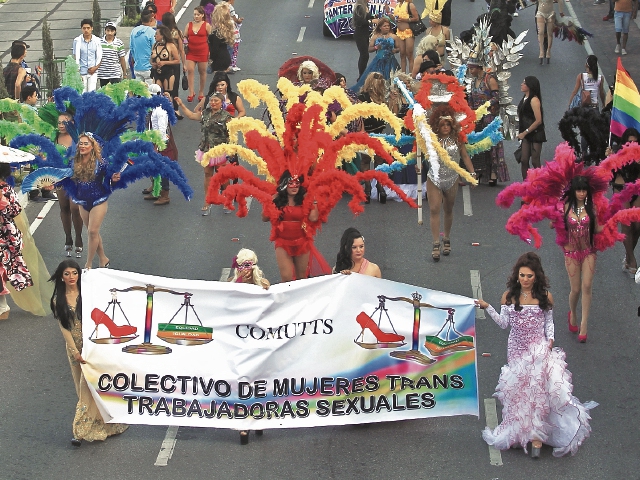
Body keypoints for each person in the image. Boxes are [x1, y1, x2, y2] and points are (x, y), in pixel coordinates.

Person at [475, 252, 592, 458]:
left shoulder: (545, 297)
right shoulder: (508, 296)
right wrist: (488, 308)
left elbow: (549, 322)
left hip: (538, 350)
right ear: (517, 276)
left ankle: (537, 436)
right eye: (522, 275)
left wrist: (550, 341)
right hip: (516, 350)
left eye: (529, 276)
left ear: (536, 276)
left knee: (537, 392)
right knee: (519, 391)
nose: (526, 280)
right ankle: (520, 431)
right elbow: (504, 324)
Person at [49, 260, 128, 446]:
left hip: (92, 346)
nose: (71, 277)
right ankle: (104, 423)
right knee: (81, 386)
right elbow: (64, 328)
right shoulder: (57, 300)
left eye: (74, 273)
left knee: (89, 386)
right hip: (74, 349)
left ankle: (79, 431)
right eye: (67, 274)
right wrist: (75, 351)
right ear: (61, 276)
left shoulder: (88, 294)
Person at [427, 105, 476, 261]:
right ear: (437, 126)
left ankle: (446, 238)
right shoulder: (431, 139)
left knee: (448, 209)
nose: (446, 127)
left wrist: (472, 174)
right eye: (443, 125)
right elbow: (420, 154)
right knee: (434, 209)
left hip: (452, 179)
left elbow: (465, 157)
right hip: (434, 178)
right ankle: (436, 243)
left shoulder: (457, 139)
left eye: (448, 124)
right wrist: (418, 165)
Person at [558, 176, 603, 343]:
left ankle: (584, 325)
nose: (582, 193)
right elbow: (553, 225)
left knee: (587, 286)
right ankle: (573, 313)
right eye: (579, 190)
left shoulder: (592, 208)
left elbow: (597, 228)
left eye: (584, 190)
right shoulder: (565, 207)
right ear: (573, 191)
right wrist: (552, 217)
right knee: (575, 289)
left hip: (588, 251)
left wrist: (613, 223)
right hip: (570, 253)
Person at [67, 134, 121, 269]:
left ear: (92, 146)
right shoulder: (73, 162)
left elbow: (109, 180)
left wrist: (113, 179)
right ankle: (103, 258)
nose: (83, 146)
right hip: (82, 202)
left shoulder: (101, 162)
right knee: (94, 233)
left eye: (86, 144)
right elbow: (66, 178)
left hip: (99, 200)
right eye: (80, 143)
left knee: (91, 231)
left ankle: (88, 264)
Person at [176, 93, 232, 215]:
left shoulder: (226, 116)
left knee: (222, 176)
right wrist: (181, 105)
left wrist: (231, 150)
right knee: (207, 174)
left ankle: (227, 199)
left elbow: (231, 134)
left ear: (221, 103)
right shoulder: (205, 113)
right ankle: (208, 200)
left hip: (219, 150)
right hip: (206, 149)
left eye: (215, 101)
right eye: (211, 100)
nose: (212, 103)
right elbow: (191, 116)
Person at [262, 171, 320, 282]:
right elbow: (264, 218)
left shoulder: (304, 199)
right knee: (286, 277)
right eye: (291, 183)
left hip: (302, 242)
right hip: (282, 244)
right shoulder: (277, 199)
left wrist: (314, 201)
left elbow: (313, 218)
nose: (294, 186)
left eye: (297, 183)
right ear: (284, 185)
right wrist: (269, 202)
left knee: (301, 278)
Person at [467, 59, 509, 185]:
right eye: (469, 69)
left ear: (479, 68)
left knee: (491, 146)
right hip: (477, 118)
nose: (470, 71)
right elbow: (471, 98)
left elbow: (496, 97)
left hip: (489, 117)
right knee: (479, 145)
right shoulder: (474, 81)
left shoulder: (489, 79)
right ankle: (481, 171)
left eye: (472, 68)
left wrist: (484, 107)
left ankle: (494, 173)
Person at [0, 163, 33, 320]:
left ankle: (3, 306)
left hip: (3, 234)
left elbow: (15, 210)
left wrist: (2, 202)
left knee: (2, 268)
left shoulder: (6, 189)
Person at [609, 128, 640, 276]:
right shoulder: (618, 153)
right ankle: (632, 260)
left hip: (637, 189)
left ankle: (628, 256)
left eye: (635, 141)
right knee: (627, 226)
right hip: (621, 188)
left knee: (638, 226)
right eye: (629, 141)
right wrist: (609, 157)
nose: (632, 144)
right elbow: (608, 172)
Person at [55, 112, 84, 258]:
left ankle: (78, 237)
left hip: (76, 177)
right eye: (59, 122)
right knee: (64, 207)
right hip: (60, 177)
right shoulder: (55, 137)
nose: (61, 125)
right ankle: (68, 237)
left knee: (75, 208)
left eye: (64, 122)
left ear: (72, 123)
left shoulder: (78, 138)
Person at [143, 85, 178, 205]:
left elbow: (163, 130)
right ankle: (156, 190)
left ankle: (165, 195)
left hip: (161, 142)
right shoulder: (153, 108)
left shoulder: (160, 110)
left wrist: (158, 146)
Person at [357, 72, 388, 203]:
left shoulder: (382, 97)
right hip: (367, 132)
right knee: (365, 159)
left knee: (379, 160)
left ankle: (380, 185)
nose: (379, 81)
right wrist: (362, 131)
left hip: (380, 133)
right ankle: (367, 187)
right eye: (377, 79)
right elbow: (358, 115)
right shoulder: (363, 97)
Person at [350, 17, 400, 92]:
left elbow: (399, 48)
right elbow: (369, 49)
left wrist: (395, 50)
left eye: (388, 26)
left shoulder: (394, 37)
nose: (387, 27)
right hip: (378, 61)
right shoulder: (375, 37)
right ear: (380, 27)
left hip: (391, 61)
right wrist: (376, 47)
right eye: (385, 26)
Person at [517, 76, 546, 180]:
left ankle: (542, 183)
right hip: (526, 133)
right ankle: (527, 184)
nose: (521, 84)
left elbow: (538, 120)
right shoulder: (524, 98)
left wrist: (525, 132)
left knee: (535, 160)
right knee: (524, 160)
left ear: (530, 86)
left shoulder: (534, 100)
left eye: (524, 83)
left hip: (535, 133)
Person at [184, 6, 212, 103]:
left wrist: (210, 51)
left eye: (198, 14)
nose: (196, 16)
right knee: (190, 70)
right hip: (191, 52)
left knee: (202, 72)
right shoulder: (189, 25)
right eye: (195, 14)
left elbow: (210, 39)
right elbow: (185, 36)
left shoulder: (206, 25)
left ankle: (201, 92)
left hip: (202, 51)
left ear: (202, 15)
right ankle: (191, 92)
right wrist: (185, 43)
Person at [161, 12, 187, 117]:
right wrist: (184, 64)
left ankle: (165, 107)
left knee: (164, 86)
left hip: (163, 62)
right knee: (175, 86)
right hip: (175, 63)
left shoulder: (161, 33)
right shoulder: (177, 33)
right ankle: (176, 109)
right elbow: (181, 50)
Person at [72, 19, 103, 92]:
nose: (86, 30)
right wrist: (77, 73)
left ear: (92, 28)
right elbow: (75, 57)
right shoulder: (77, 41)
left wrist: (95, 68)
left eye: (88, 28)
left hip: (93, 72)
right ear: (81, 29)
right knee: (82, 94)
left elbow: (100, 56)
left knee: (91, 95)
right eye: (84, 28)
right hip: (81, 72)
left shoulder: (97, 41)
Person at [151, 26, 181, 94]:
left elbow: (177, 60)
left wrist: (164, 62)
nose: (154, 35)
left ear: (162, 35)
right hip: (157, 73)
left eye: (156, 34)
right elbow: (151, 59)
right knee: (156, 93)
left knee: (168, 94)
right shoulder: (154, 45)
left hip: (168, 73)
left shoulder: (171, 46)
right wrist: (153, 64)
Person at [393, 0, 420, 74]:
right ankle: (403, 74)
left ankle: (411, 75)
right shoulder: (397, 5)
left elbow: (416, 18)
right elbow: (394, 18)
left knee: (409, 54)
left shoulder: (410, 5)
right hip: (399, 32)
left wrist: (405, 20)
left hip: (408, 32)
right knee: (402, 54)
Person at [97, 22, 127, 87]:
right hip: (103, 74)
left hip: (115, 73)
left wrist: (124, 73)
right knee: (105, 93)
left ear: (115, 32)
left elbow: (122, 58)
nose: (110, 33)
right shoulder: (99, 42)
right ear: (105, 31)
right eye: (108, 30)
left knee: (115, 92)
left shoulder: (119, 43)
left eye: (112, 31)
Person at [129, 12, 156, 83]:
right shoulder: (152, 32)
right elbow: (155, 49)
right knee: (151, 92)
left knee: (139, 91)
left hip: (137, 67)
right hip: (149, 68)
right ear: (151, 19)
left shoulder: (134, 31)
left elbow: (131, 48)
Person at [208, 2, 234, 74]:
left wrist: (211, 59)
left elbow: (215, 49)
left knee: (218, 81)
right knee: (223, 80)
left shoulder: (217, 32)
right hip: (226, 56)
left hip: (218, 59)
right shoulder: (225, 30)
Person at [353, 0, 373, 81]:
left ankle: (362, 74)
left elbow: (366, 18)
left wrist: (374, 17)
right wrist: (371, 21)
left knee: (365, 55)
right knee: (364, 55)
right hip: (360, 34)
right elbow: (359, 22)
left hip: (365, 34)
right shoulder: (359, 7)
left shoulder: (365, 5)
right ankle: (361, 76)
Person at [227, 0, 244, 72]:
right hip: (233, 33)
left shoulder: (220, 7)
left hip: (223, 31)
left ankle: (225, 64)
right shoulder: (230, 7)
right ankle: (232, 65)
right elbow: (235, 20)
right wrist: (239, 21)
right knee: (234, 50)